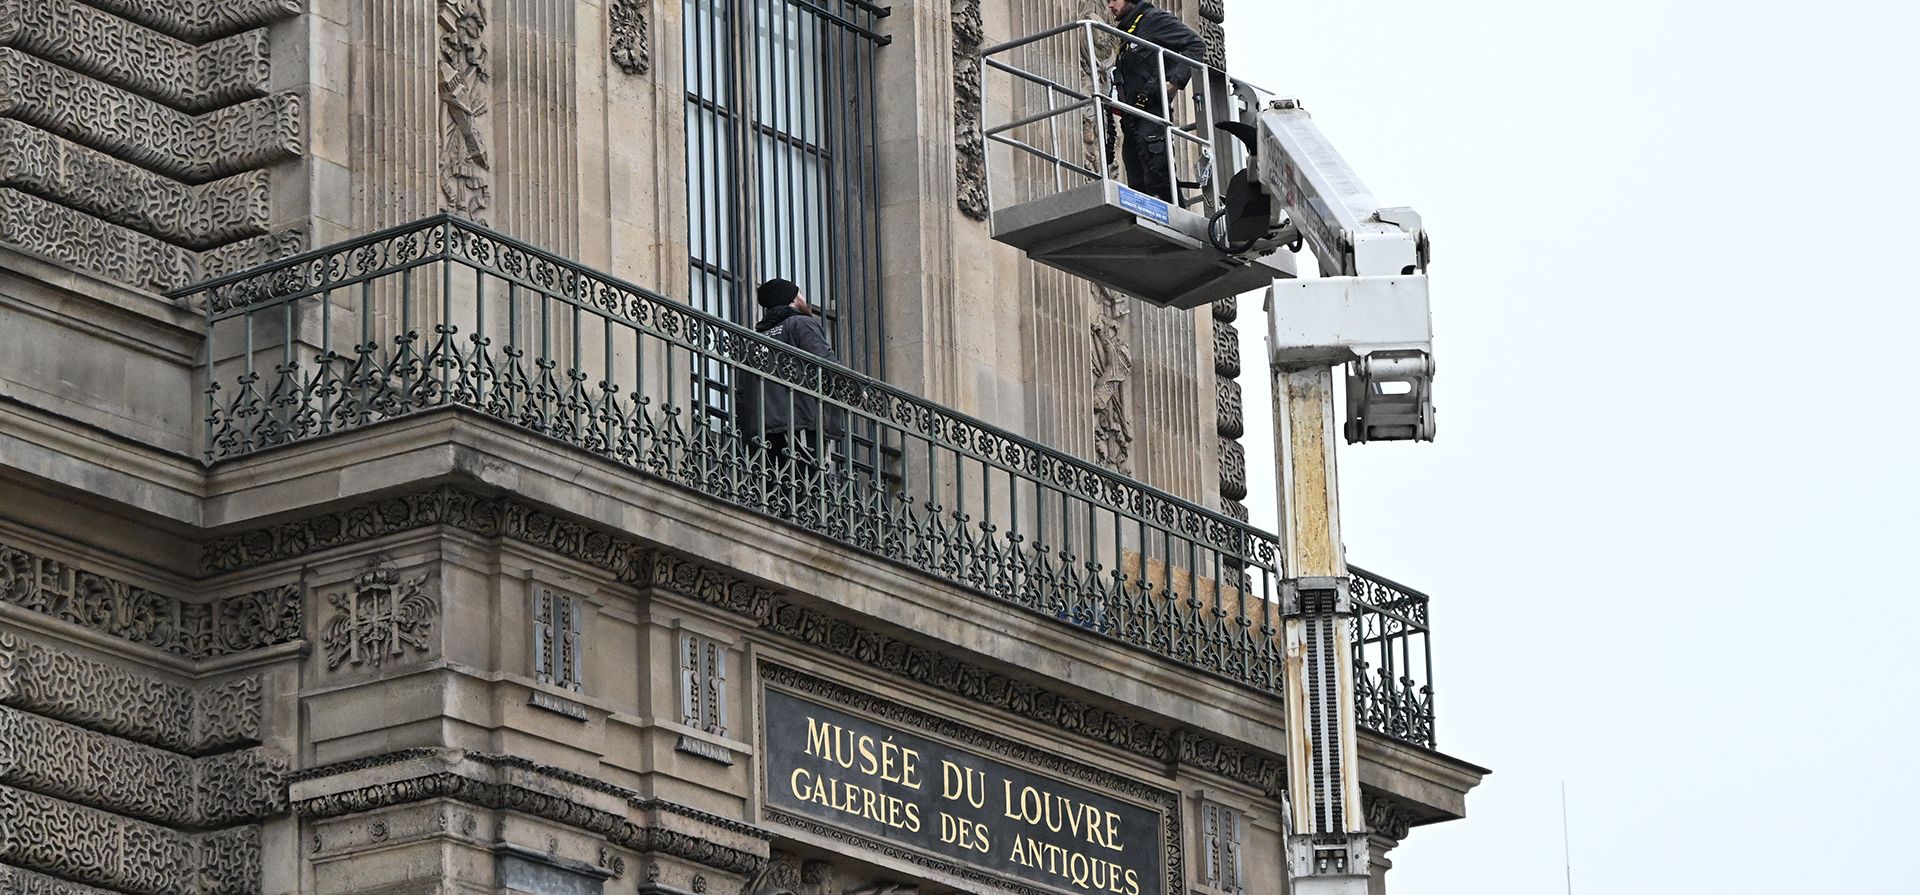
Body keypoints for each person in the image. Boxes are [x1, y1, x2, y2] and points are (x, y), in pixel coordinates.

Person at [1106, 0, 1206, 203]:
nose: (1109, 6)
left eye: (1113, 0)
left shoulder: (1153, 19)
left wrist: (1174, 82)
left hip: (1151, 112)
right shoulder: (1127, 33)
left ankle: (1176, 217)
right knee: (1137, 181)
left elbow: (1196, 45)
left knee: (1158, 173)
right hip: (1131, 117)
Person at [738, 278, 842, 468]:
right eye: (799, 293)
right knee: (807, 487)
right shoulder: (800, 323)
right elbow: (824, 361)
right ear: (793, 299)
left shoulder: (753, 341)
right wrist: (856, 390)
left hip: (762, 434)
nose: (803, 298)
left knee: (777, 491)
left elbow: (742, 393)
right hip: (799, 424)